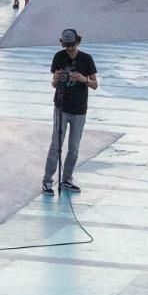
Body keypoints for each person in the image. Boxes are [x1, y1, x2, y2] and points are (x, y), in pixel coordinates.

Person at [43, 28, 98, 194]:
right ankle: (47, 180)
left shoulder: (86, 59)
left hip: (79, 109)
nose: (69, 49)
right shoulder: (59, 57)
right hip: (61, 106)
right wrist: (56, 79)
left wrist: (83, 79)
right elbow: (53, 83)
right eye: (67, 46)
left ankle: (67, 178)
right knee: (56, 145)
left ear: (78, 43)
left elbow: (95, 84)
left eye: (72, 46)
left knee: (73, 148)